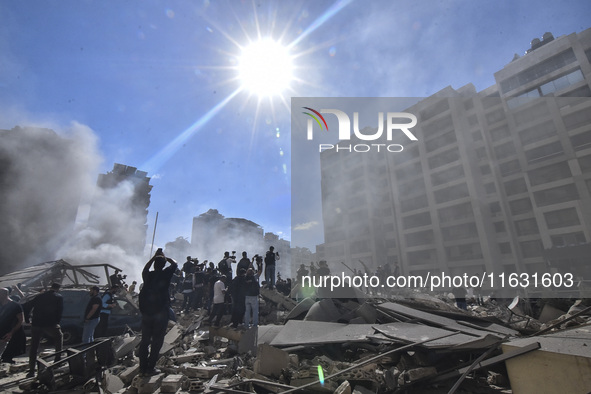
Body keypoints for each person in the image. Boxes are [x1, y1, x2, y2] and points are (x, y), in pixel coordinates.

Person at [138, 248, 177, 377]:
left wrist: (154, 257)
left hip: (147, 314)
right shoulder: (165, 274)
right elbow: (175, 264)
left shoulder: (148, 276)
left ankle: (142, 368)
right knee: (157, 341)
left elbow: (145, 268)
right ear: (164, 265)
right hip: (160, 313)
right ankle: (150, 368)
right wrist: (166, 258)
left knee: (145, 341)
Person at [25, 283, 63, 378]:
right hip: (50, 324)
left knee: (34, 346)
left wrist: (27, 319)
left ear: (50, 287)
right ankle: (58, 361)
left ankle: (31, 371)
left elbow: (27, 306)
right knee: (59, 338)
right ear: (58, 288)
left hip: (36, 324)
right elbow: (60, 311)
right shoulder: (58, 297)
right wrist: (57, 322)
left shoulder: (39, 296)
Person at [0, 287, 26, 364]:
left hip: (7, 333)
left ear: (4, 295)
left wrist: (11, 332)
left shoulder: (15, 305)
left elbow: (21, 320)